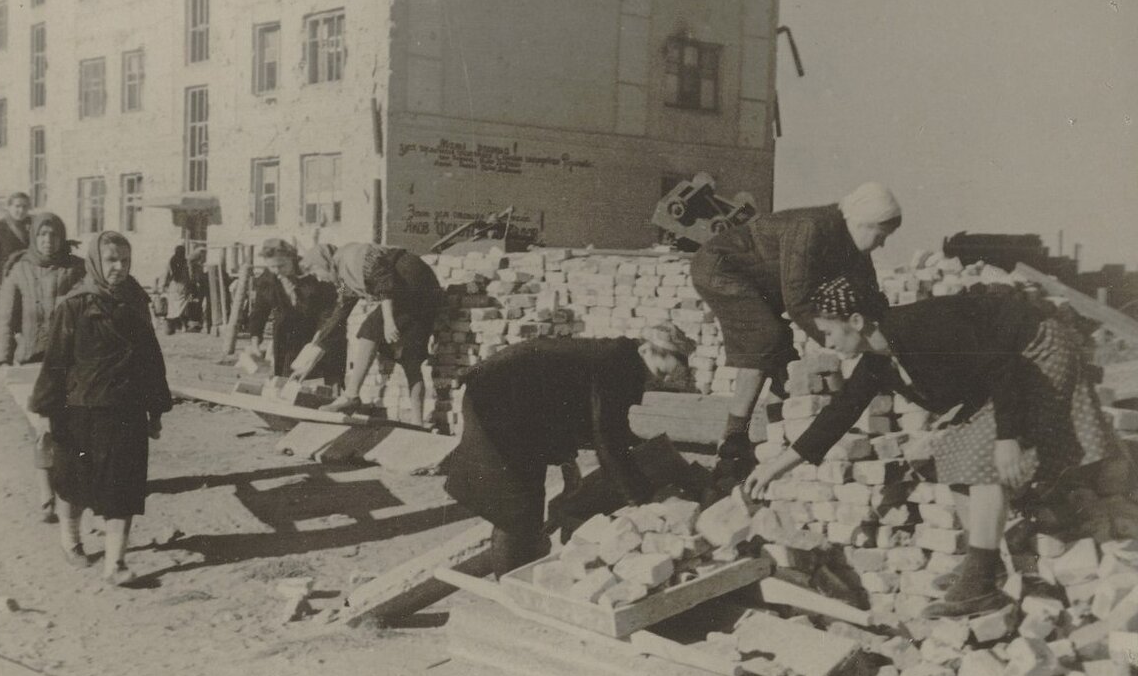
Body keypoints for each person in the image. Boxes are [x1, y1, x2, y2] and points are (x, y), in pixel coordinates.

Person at [745, 275, 1123, 618]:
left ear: (857, 322)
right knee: (952, 454)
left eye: (828, 332)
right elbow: (840, 412)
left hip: (1037, 349)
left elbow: (1002, 368)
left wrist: (1008, 436)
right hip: (1005, 365)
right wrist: (776, 467)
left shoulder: (921, 329)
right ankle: (984, 567)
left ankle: (980, 580)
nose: (825, 341)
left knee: (983, 454)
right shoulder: (879, 358)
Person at [690, 182, 901, 488]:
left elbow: (869, 296)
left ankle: (774, 440)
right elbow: (798, 299)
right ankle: (734, 440)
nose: (881, 245)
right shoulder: (811, 228)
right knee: (766, 339)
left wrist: (892, 340)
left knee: (785, 361)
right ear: (863, 221)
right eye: (880, 236)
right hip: (722, 267)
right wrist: (835, 343)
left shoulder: (852, 244)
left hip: (761, 281)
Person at [443, 324, 696, 577]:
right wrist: (640, 498)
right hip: (497, 402)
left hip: (512, 402)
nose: (657, 382)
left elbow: (576, 409)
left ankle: (520, 572)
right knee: (516, 509)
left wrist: (568, 460)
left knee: (523, 506)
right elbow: (607, 437)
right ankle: (513, 585)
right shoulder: (618, 365)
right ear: (646, 350)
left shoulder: (618, 357)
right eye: (661, 373)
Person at [30, 232, 173, 584]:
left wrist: (155, 409)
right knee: (74, 485)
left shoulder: (136, 301)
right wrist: (47, 415)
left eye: (124, 260)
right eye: (111, 260)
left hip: (127, 412)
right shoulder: (74, 305)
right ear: (96, 261)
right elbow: (56, 364)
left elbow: (151, 359)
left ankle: (116, 564)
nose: (119, 267)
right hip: (80, 412)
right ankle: (71, 539)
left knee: (123, 488)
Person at [0, 212, 85, 523]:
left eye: (55, 235)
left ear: (62, 238)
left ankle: (66, 486)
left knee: (65, 428)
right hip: (31, 362)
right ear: (34, 237)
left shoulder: (76, 269)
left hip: (68, 363)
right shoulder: (18, 270)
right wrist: (3, 359)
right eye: (43, 235)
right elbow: (6, 319)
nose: (49, 241)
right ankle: (47, 494)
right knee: (42, 429)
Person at [304, 243, 444, 426]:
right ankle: (417, 423)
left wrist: (388, 321)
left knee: (369, 330)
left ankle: (351, 396)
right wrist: (317, 344)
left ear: (323, 262)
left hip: (410, 280)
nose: (319, 279)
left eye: (315, 271)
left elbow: (383, 283)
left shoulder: (351, 258)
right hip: (420, 285)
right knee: (411, 356)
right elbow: (341, 311)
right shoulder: (344, 278)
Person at [246, 238, 343, 384]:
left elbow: (328, 310)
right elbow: (259, 311)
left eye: (282, 266)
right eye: (272, 267)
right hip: (285, 333)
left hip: (315, 329)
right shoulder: (267, 279)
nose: (277, 272)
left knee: (318, 372)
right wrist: (255, 341)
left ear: (292, 258)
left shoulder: (313, 272)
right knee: (285, 377)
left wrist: (319, 339)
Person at [159, 245, 194, 335]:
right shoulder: (186, 262)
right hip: (183, 286)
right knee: (182, 307)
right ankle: (183, 326)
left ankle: (172, 326)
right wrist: (192, 284)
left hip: (173, 286)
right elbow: (191, 275)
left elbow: (166, 274)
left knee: (173, 307)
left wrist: (163, 285)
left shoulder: (171, 261)